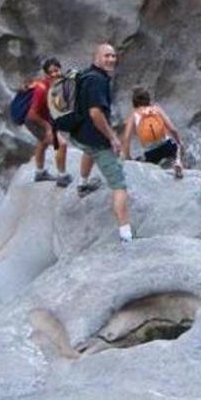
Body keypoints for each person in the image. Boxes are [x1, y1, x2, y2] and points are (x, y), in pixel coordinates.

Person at [69, 43, 133, 247]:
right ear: (96, 57)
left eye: (113, 56)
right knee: (119, 186)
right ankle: (126, 235)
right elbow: (95, 113)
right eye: (107, 56)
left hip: (79, 134)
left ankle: (82, 183)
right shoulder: (97, 81)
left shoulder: (86, 75)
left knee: (88, 151)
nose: (111, 59)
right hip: (96, 139)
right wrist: (113, 138)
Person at [24, 58, 72, 187]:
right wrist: (47, 126)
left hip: (43, 118)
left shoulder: (56, 84)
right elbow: (32, 114)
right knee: (62, 144)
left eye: (56, 70)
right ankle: (62, 176)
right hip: (34, 120)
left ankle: (40, 173)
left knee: (43, 142)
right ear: (46, 74)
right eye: (51, 72)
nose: (54, 74)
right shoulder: (42, 89)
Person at [121, 87, 185, 178]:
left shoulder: (134, 115)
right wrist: (179, 142)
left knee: (145, 163)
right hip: (166, 145)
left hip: (150, 152)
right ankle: (177, 162)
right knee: (177, 148)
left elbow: (126, 138)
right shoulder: (156, 109)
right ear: (148, 99)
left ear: (134, 102)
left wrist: (127, 157)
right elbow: (172, 129)